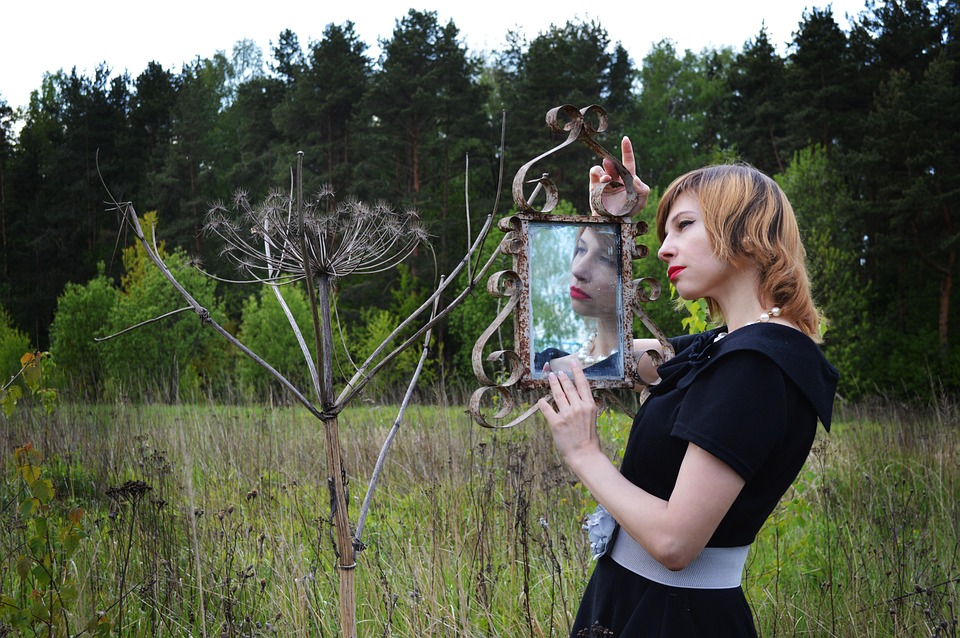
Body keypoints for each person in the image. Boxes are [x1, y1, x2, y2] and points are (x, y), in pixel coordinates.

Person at [537, 137, 839, 637]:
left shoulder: (756, 366)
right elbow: (593, 358)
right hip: (637, 602)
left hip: (672, 618)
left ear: (745, 230)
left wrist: (584, 454)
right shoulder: (720, 346)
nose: (663, 248)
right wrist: (611, 227)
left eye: (684, 225)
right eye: (663, 232)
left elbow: (675, 543)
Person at [535, 225, 622, 377]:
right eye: (581, 250)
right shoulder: (538, 366)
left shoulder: (658, 365)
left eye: (605, 259)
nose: (577, 271)